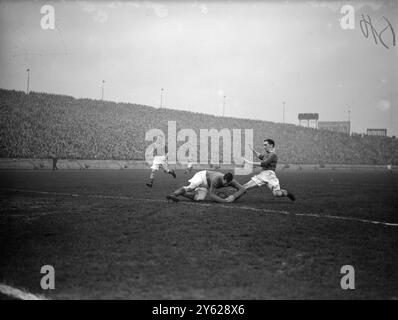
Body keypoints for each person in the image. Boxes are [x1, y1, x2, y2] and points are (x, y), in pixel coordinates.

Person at [227, 139, 295, 202]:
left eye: (265, 145)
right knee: (245, 186)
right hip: (263, 175)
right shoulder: (266, 154)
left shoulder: (273, 155)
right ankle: (232, 198)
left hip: (270, 175)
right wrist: (252, 150)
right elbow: (259, 156)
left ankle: (286, 193)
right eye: (263, 145)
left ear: (271, 145)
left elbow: (264, 163)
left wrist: (249, 162)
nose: (264, 147)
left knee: (276, 194)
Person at [166, 170, 244, 203]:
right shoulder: (216, 179)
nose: (226, 184)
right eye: (225, 182)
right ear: (223, 178)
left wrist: (233, 197)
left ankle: (180, 193)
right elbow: (212, 195)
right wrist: (224, 201)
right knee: (190, 188)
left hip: (207, 184)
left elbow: (242, 189)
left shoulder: (231, 181)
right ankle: (173, 194)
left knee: (199, 198)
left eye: (228, 183)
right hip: (202, 176)